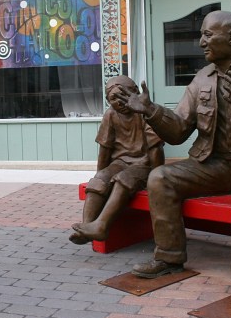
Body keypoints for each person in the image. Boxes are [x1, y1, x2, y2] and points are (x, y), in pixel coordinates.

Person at [118, 10, 231, 313]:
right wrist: (151, 111)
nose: (201, 42)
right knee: (161, 177)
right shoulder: (202, 78)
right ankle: (169, 257)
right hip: (216, 165)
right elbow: (178, 131)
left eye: (208, 35)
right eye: (201, 35)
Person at [70, 75, 164, 244]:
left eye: (124, 95)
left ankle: (101, 226)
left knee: (123, 179)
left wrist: (157, 178)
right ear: (108, 101)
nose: (119, 102)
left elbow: (156, 148)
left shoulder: (145, 112)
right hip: (119, 162)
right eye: (113, 98)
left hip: (144, 164)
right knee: (99, 179)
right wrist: (101, 176)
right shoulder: (110, 115)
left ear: (135, 92)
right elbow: (104, 149)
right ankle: (86, 227)